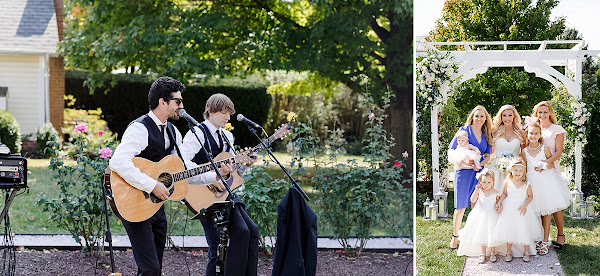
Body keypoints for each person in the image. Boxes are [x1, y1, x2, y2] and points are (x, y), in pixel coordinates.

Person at [109, 77, 195, 275]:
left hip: (155, 205)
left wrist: (215, 173)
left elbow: (184, 168)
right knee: (150, 268)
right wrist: (151, 185)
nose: (181, 107)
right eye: (178, 102)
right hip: (133, 202)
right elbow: (118, 162)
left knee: (154, 268)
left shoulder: (173, 131)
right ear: (162, 102)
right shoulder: (140, 128)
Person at [180, 93, 259, 276]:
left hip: (225, 196)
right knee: (216, 249)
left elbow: (232, 174)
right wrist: (212, 177)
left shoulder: (227, 137)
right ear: (210, 111)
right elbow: (182, 164)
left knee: (250, 232)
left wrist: (245, 166)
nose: (227, 117)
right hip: (203, 197)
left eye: (229, 113)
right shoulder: (196, 133)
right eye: (223, 112)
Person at [522, 122, 570, 255]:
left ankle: (545, 241)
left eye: (536, 133)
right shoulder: (524, 152)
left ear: (540, 135)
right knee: (534, 212)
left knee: (546, 211)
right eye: (531, 133)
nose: (533, 136)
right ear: (527, 134)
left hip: (545, 182)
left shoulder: (545, 149)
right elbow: (525, 169)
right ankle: (537, 238)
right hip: (532, 183)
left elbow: (552, 165)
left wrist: (544, 165)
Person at [449, 105, 492, 250]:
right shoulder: (463, 131)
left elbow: (487, 155)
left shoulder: (487, 133)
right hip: (463, 173)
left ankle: (474, 237)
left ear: (485, 118)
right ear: (472, 117)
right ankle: (455, 237)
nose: (479, 118)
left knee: (477, 204)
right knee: (460, 206)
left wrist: (479, 164)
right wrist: (464, 161)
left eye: (482, 116)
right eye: (476, 116)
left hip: (478, 173)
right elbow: (452, 150)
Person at [532, 101, 568, 249]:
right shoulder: (534, 128)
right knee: (541, 203)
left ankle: (560, 235)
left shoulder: (556, 129)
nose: (542, 115)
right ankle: (542, 235)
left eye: (545, 112)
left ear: (550, 113)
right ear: (536, 114)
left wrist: (545, 163)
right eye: (540, 112)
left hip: (550, 168)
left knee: (554, 204)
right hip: (535, 171)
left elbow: (558, 151)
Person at [493, 158, 541, 262]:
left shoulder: (526, 183)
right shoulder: (507, 182)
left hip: (522, 209)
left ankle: (526, 251)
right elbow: (505, 194)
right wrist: (499, 202)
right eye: (515, 170)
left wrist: (524, 205)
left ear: (524, 171)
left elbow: (530, 196)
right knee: (509, 229)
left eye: (520, 170)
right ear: (511, 170)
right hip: (509, 208)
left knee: (524, 229)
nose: (518, 173)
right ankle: (508, 252)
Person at [457, 168, 500, 264]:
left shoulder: (495, 192)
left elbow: (498, 203)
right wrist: (476, 191)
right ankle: (483, 253)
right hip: (481, 215)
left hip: (492, 215)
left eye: (489, 182)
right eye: (484, 182)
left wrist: (499, 208)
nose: (486, 184)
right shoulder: (480, 191)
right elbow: (472, 200)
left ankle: (493, 253)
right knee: (482, 233)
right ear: (480, 181)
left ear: (493, 182)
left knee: (492, 233)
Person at [490, 105, 526, 192]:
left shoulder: (520, 132)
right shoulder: (494, 130)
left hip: (515, 169)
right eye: (504, 115)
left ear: (514, 116)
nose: (507, 118)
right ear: (501, 117)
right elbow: (490, 150)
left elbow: (524, 152)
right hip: (497, 168)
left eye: (510, 115)